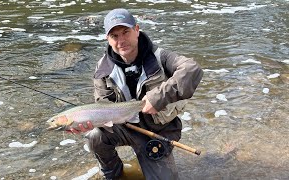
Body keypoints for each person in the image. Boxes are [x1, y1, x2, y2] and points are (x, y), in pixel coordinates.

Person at [67, 8, 203, 180]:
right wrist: (90, 122)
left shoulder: (161, 57)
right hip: (124, 128)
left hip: (159, 131)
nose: (121, 40)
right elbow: (102, 105)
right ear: (107, 39)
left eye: (125, 32)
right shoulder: (102, 69)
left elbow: (192, 69)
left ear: (137, 30)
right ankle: (113, 174)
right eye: (114, 36)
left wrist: (159, 97)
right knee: (95, 136)